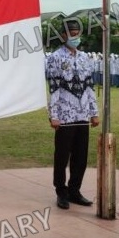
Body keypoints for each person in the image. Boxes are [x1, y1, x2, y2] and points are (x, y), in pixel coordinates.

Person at [45, 20, 100, 210]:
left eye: (78, 33)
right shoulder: (55, 58)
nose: (75, 37)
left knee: (81, 156)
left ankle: (74, 191)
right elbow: (53, 88)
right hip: (65, 115)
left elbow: (89, 85)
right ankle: (61, 191)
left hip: (82, 113)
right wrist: (53, 115)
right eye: (72, 33)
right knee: (62, 155)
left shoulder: (85, 58)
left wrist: (94, 112)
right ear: (63, 36)